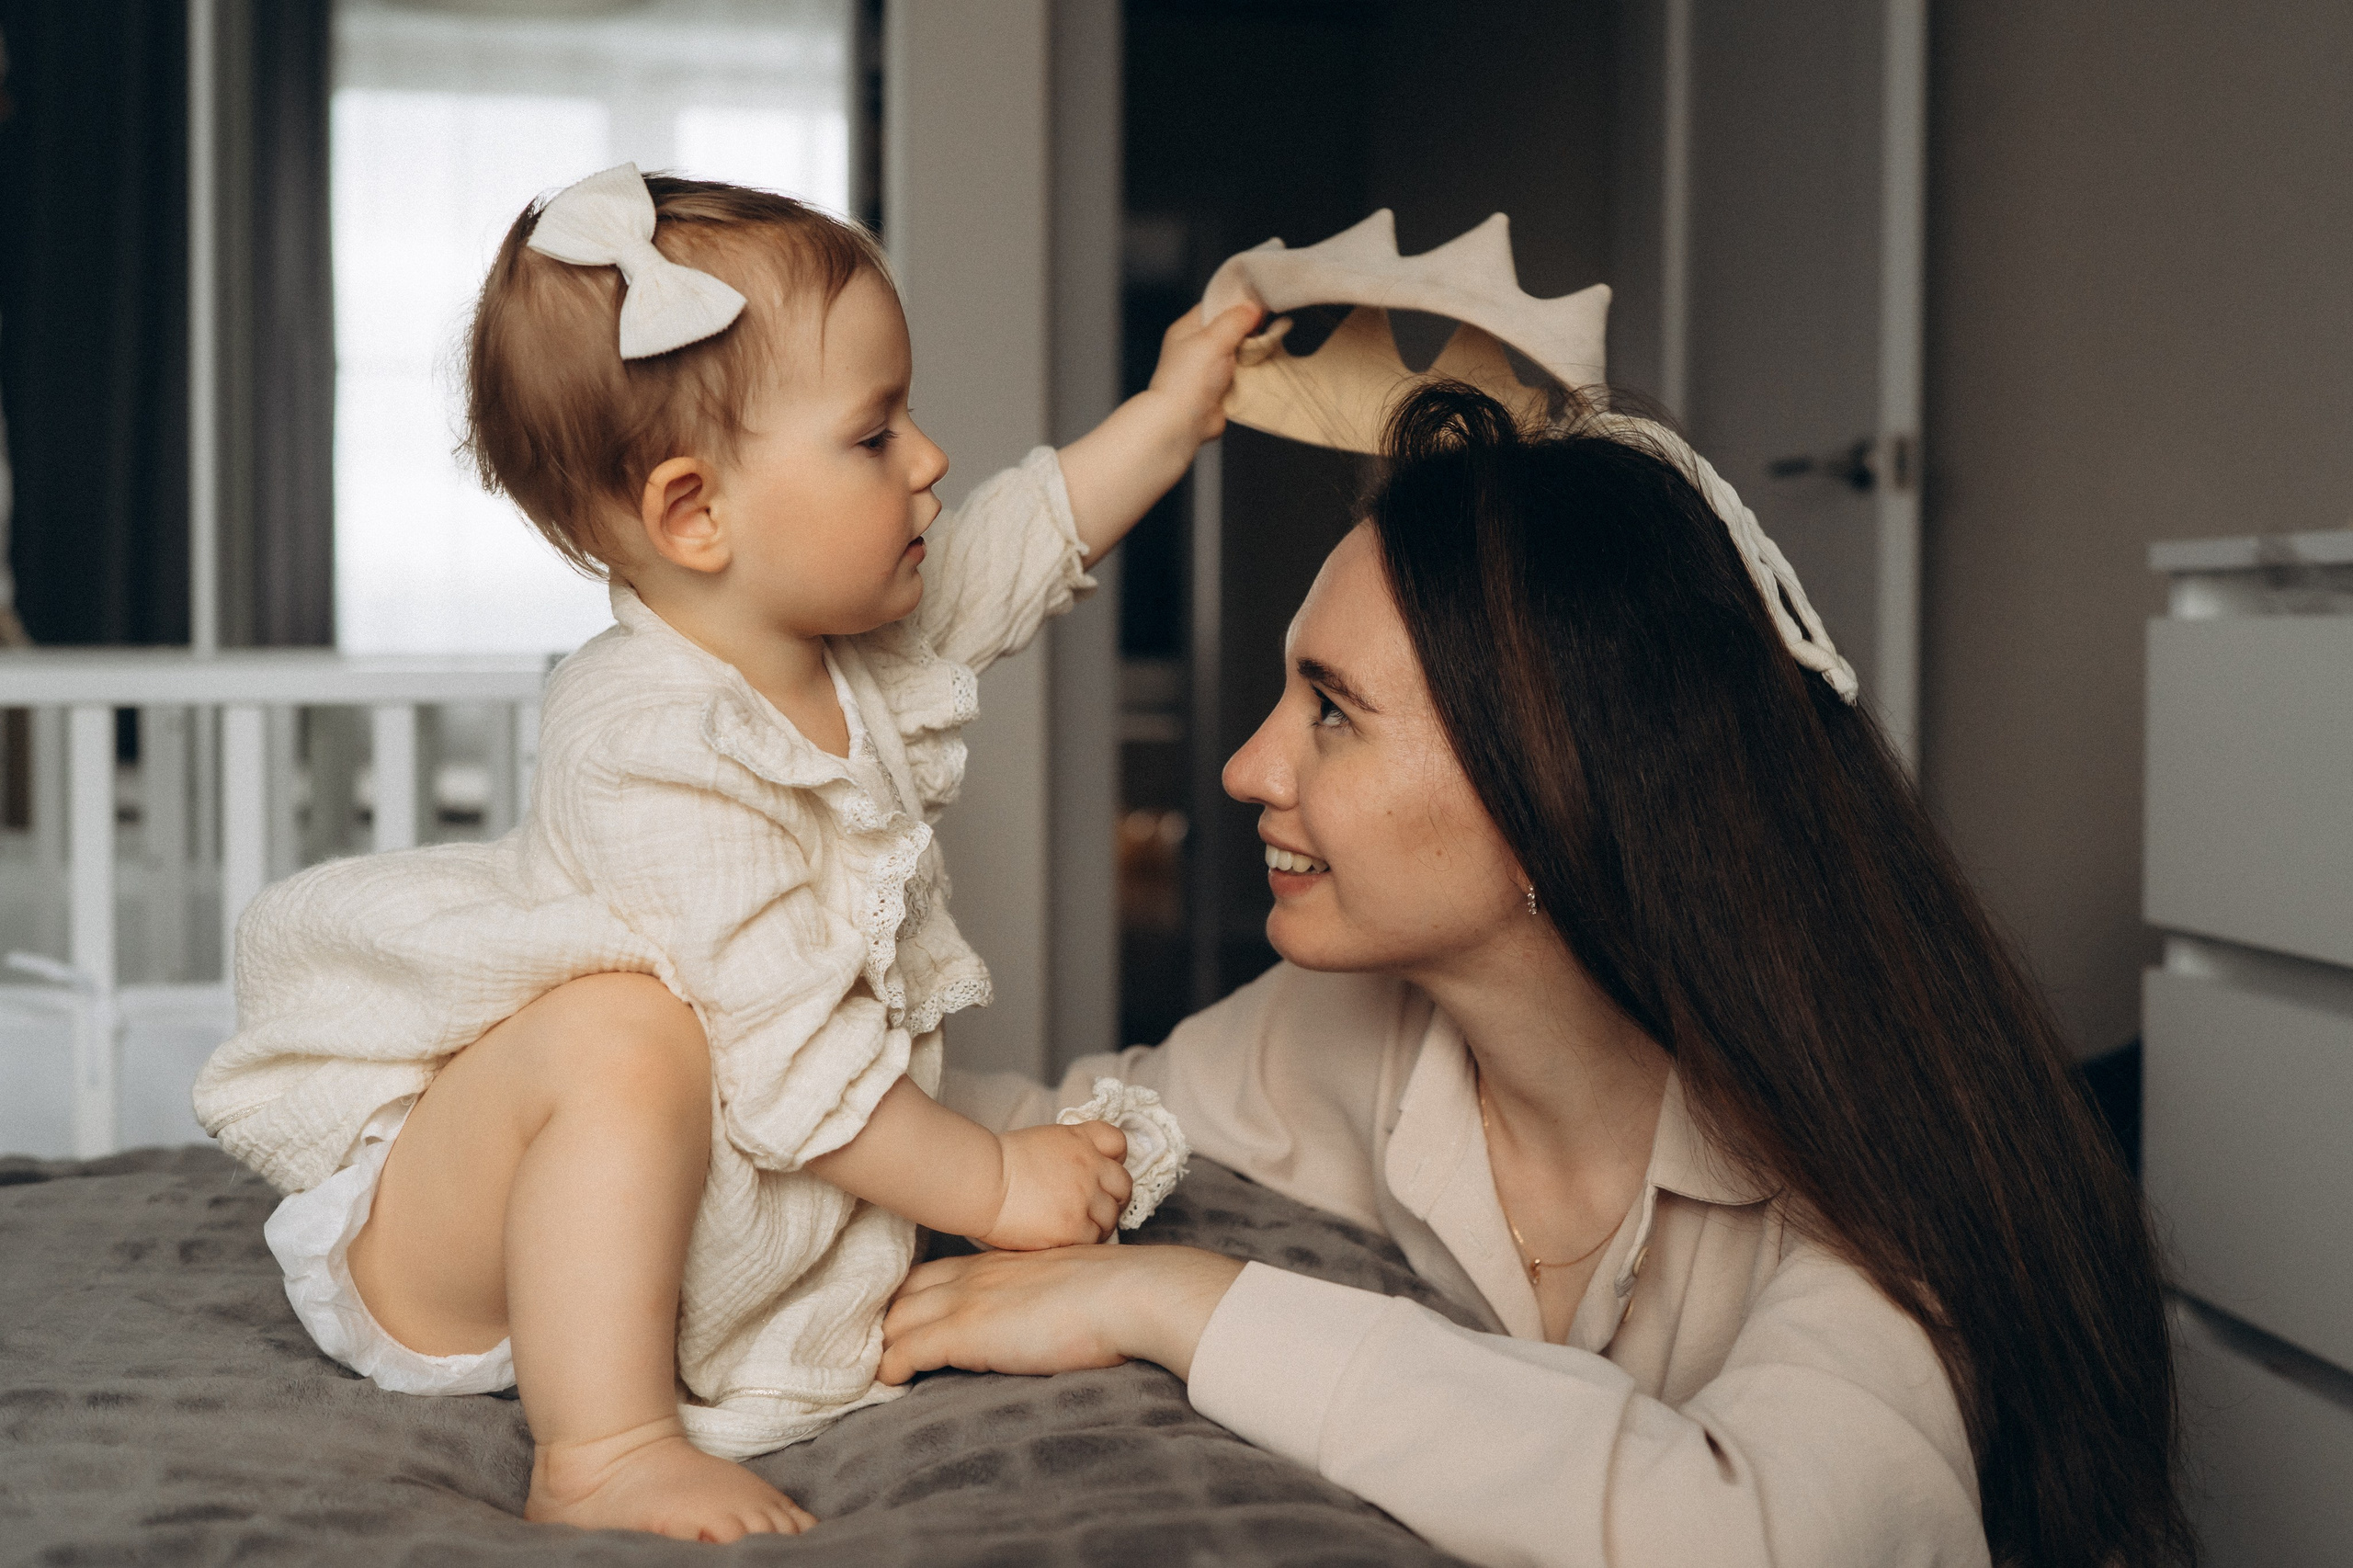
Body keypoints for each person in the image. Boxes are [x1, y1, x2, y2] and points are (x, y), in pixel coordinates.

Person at [885, 381, 2194, 1568]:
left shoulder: (1870, 1162)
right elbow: (1059, 1127)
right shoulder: (1346, 1024)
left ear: (1551, 793)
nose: (1248, 768)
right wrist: (736, 1063)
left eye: (1330, 709)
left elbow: (1761, 1534)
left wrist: (1180, 1298)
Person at [193, 165, 1256, 1543]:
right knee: (626, 1033)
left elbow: (1013, 544)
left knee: (977, 1104)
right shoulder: (641, 734)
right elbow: (802, 1072)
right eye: (875, 436)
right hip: (461, 1239)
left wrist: (1173, 412)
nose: (930, 458)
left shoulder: (855, 654)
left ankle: (694, 1322)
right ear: (697, 515)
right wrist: (993, 1189)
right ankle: (603, 1445)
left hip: (699, 1165)